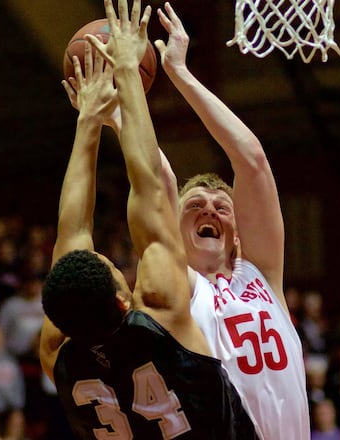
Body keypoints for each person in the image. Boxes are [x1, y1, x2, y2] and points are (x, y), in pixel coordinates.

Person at [38, 1, 257, 437]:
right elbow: (148, 188)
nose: (121, 267)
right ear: (123, 301)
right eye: (116, 270)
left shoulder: (55, 350)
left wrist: (88, 121)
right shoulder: (161, 312)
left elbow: (73, 232)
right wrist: (125, 75)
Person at [154, 2, 309, 438]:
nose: (209, 210)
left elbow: (253, 160)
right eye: (194, 205)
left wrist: (180, 74)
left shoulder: (260, 273)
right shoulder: (177, 283)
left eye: (222, 206)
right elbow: (157, 177)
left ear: (238, 233)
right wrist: (124, 105)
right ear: (173, 225)